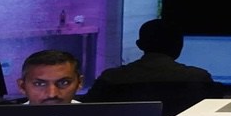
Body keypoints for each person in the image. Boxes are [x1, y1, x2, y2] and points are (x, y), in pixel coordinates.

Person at [83, 20, 215, 104]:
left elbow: (87, 110)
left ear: (139, 45)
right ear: (180, 45)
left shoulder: (110, 79)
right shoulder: (199, 78)